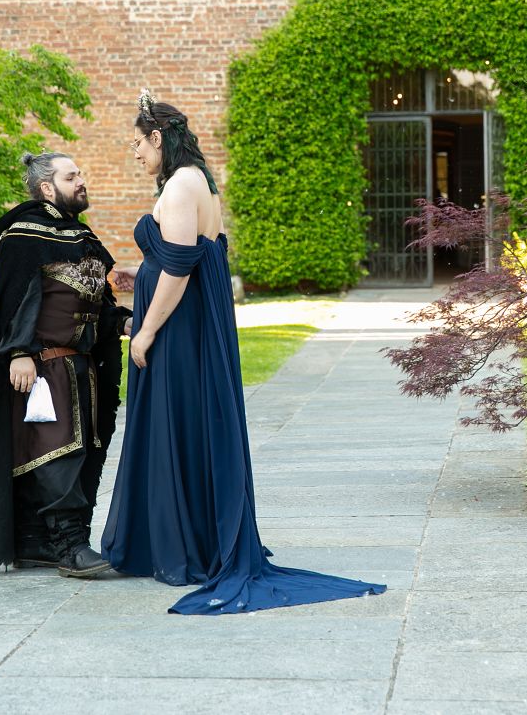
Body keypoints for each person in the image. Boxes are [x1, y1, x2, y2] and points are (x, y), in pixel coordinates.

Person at [101, 92, 386, 614]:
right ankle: (185, 537)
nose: (135, 153)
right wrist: (134, 277)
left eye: (137, 143)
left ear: (158, 138)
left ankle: (186, 547)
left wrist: (144, 332)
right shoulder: (197, 182)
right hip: (187, 326)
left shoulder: (182, 185)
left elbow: (179, 269)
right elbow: (180, 257)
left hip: (178, 332)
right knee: (183, 422)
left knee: (178, 422)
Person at [0, 152, 131, 576]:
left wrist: (123, 321)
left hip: (82, 369)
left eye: (80, 173)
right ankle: (70, 549)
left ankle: (43, 543)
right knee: (56, 454)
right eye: (72, 177)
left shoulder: (79, 234)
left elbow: (94, 302)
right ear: (48, 188)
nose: (82, 180)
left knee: (81, 452)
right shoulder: (25, 234)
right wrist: (19, 352)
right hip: (43, 367)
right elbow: (19, 298)